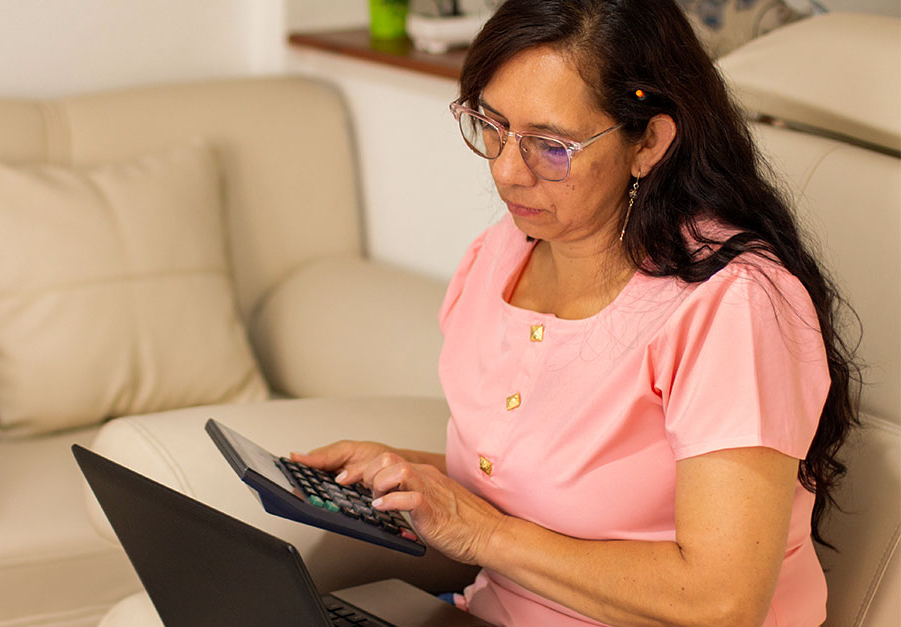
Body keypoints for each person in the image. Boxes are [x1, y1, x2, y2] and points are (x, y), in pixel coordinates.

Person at [292, 1, 860, 625]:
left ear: (649, 143)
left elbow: (722, 603)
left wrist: (482, 534)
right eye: (492, 125)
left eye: (550, 145)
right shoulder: (502, 253)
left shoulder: (732, 303)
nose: (507, 171)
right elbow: (538, 489)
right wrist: (406, 476)